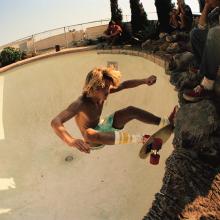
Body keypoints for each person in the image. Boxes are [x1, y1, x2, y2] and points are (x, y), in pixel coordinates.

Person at [51, 67, 177, 153]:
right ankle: (143, 139)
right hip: (93, 140)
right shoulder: (80, 104)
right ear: (94, 88)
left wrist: (144, 80)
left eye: (109, 87)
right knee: (88, 133)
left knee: (130, 110)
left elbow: (124, 85)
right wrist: (71, 141)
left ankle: (165, 122)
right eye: (105, 88)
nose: (108, 91)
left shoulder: (103, 91)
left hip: (103, 125)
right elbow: (56, 122)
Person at [183, 0, 220, 102]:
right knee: (195, 33)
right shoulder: (217, 10)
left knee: (215, 33)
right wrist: (207, 5)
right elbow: (201, 26)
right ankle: (203, 69)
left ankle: (208, 84)